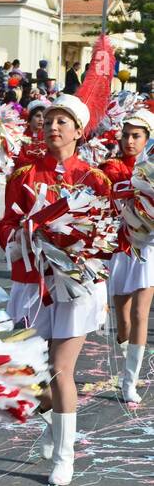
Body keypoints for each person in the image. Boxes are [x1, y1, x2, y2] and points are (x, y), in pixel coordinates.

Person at [0, 94, 111, 486]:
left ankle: (65, 456)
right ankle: (53, 422)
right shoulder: (23, 174)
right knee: (30, 372)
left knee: (62, 370)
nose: (52, 127)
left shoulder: (94, 179)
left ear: (78, 131)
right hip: (32, 282)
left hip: (75, 286)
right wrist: (27, 236)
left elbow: (105, 235)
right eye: (48, 121)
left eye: (62, 122)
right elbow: (5, 224)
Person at [102, 109, 154, 405]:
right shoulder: (110, 168)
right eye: (126, 135)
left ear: (147, 139)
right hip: (119, 246)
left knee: (139, 314)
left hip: (148, 246)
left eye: (136, 136)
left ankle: (128, 381)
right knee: (122, 317)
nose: (129, 141)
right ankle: (125, 360)